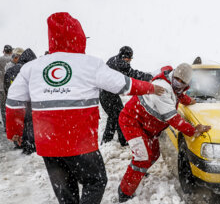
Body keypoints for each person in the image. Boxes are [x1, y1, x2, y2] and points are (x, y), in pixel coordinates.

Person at [6, 12, 164, 204]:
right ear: (78, 36)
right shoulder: (90, 64)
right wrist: (151, 87)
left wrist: (14, 130)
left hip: (48, 144)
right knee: (96, 181)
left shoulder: (32, 67)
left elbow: (14, 100)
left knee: (66, 193)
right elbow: (125, 85)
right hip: (79, 141)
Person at [117, 63, 211, 203]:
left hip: (147, 126)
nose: (178, 83)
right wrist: (193, 131)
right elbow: (173, 119)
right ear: (174, 74)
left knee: (154, 154)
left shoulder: (174, 86)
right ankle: (124, 192)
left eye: (182, 82)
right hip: (132, 121)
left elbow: (177, 94)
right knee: (142, 158)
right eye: (177, 79)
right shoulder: (162, 88)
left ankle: (138, 172)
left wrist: (189, 100)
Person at [100, 46, 153, 146]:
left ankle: (107, 140)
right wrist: (148, 77)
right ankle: (123, 140)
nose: (130, 61)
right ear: (126, 56)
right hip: (108, 95)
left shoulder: (113, 60)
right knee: (119, 115)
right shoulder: (121, 63)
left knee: (114, 116)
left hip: (105, 94)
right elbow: (133, 74)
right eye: (130, 58)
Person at [4, 48, 37, 154]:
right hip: (29, 103)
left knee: (20, 124)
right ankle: (30, 146)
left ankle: (21, 144)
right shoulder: (31, 70)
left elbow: (6, 88)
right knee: (30, 124)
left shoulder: (10, 71)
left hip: (14, 103)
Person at [0, 44, 13, 130]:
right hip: (11, 86)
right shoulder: (14, 59)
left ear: (4, 51)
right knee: (11, 106)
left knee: (3, 106)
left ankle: (5, 125)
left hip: (1, 86)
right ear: (11, 51)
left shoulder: (0, 59)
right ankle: (11, 125)